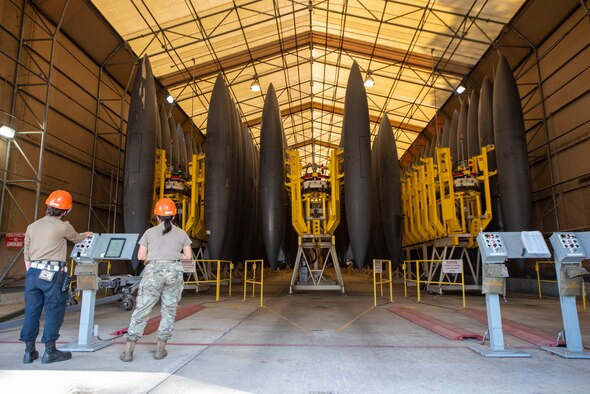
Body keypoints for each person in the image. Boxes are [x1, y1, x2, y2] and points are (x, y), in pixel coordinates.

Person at [20, 190, 92, 364]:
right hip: (52, 273)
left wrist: (33, 272)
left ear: (48, 207)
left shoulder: (32, 226)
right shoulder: (64, 226)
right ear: (66, 211)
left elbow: (27, 253)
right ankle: (50, 352)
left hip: (33, 273)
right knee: (54, 310)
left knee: (31, 312)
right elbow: (76, 238)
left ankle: (29, 353)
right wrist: (87, 235)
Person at [120, 197, 192, 362]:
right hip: (174, 271)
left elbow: (141, 256)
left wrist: (157, 256)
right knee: (169, 310)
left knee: (143, 309)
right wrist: (174, 255)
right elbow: (188, 256)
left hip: (153, 271)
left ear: (157, 216)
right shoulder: (182, 233)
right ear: (174, 216)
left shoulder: (149, 232)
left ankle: (129, 351)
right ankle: (160, 350)